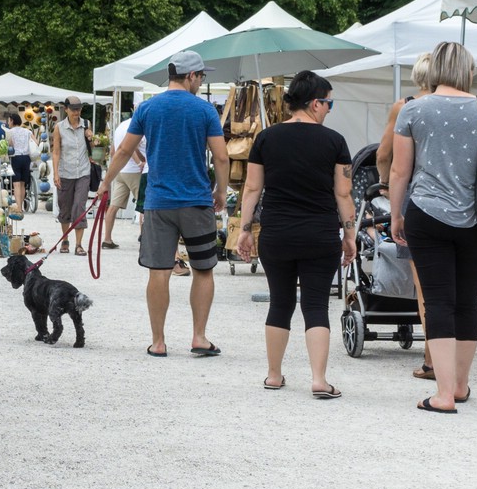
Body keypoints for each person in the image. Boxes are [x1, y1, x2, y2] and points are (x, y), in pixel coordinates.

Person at [389, 42, 477, 414]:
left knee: (438, 302)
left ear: (434, 69)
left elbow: (400, 170)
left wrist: (395, 215)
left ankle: (444, 393)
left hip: (427, 213)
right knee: (467, 301)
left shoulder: (413, 110)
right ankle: (462, 385)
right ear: (469, 71)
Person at [100, 51, 229, 357]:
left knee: (158, 271)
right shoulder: (205, 110)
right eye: (201, 76)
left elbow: (123, 151)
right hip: (197, 201)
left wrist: (105, 183)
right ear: (191, 76)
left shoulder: (148, 108)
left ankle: (158, 342)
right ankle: (199, 337)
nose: (201, 82)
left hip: (158, 202)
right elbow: (222, 156)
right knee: (203, 270)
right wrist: (221, 192)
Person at [237, 71, 356, 398]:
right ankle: (319, 380)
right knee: (316, 304)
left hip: (277, 234)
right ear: (316, 103)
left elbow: (251, 188)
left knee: (280, 301)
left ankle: (274, 375)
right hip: (319, 234)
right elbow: (343, 195)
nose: (330, 109)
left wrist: (244, 231)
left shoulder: (266, 139)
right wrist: (350, 235)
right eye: (329, 102)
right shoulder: (335, 141)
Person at [374, 53, 436, 381]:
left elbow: (385, 154)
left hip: (417, 198)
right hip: (457, 201)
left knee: (425, 286)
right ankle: (453, 349)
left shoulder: (406, 106)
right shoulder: (463, 104)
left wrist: (385, 186)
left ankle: (432, 359)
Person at [50, 96, 95, 255]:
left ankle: (79, 244)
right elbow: (56, 152)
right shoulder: (59, 127)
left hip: (83, 172)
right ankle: (65, 239)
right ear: (66, 109)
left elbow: (94, 148)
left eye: (79, 109)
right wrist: (55, 173)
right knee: (65, 208)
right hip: (65, 173)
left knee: (79, 207)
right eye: (74, 109)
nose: (77, 112)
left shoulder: (86, 124)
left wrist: (92, 138)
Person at [101, 113, 146, 250]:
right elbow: (131, 146)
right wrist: (140, 162)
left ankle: (107, 239)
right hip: (134, 171)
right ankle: (144, 237)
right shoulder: (139, 126)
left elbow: (115, 150)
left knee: (113, 206)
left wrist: (113, 168)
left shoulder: (120, 126)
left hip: (121, 171)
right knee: (144, 206)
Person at [5, 113, 33, 216]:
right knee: (22, 184)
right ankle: (20, 206)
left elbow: (10, 145)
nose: (8, 123)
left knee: (16, 184)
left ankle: (19, 208)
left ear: (12, 120)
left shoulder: (9, 132)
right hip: (26, 157)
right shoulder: (27, 131)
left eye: (9, 120)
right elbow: (35, 142)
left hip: (15, 157)